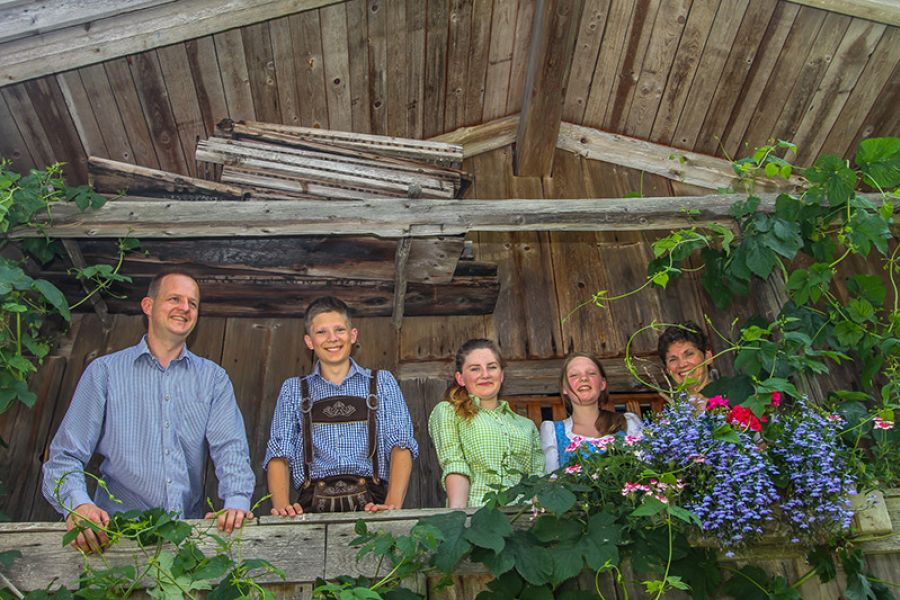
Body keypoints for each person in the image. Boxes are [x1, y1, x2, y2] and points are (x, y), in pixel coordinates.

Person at [42, 270, 256, 554]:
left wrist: (236, 503)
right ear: (148, 305)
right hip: (113, 539)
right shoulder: (105, 372)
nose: (185, 308)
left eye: (193, 303)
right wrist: (78, 505)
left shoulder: (213, 379)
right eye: (174, 299)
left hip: (186, 539)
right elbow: (65, 455)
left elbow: (230, 448)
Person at [265, 296, 417, 514]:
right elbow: (279, 452)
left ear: (352, 335)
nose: (332, 338)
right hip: (311, 507)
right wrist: (282, 509)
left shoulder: (381, 382)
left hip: (373, 504)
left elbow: (401, 444)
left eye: (339, 330)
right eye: (321, 332)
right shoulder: (293, 389)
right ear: (309, 341)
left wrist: (392, 505)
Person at [428, 339, 544, 508]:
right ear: (460, 378)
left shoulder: (526, 425)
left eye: (492, 367)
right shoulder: (449, 412)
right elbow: (455, 465)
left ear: (501, 375)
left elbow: (537, 479)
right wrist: (458, 516)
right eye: (475, 369)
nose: (485, 374)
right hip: (478, 514)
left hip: (523, 515)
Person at [540, 353, 643, 472]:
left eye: (591, 373)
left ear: (602, 384)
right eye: (574, 375)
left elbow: (645, 469)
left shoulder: (627, 423)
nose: (584, 378)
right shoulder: (553, 432)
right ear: (564, 388)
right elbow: (551, 478)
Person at [657, 321, 715, 410]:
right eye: (673, 359)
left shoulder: (729, 401)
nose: (682, 364)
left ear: (708, 356)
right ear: (667, 370)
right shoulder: (673, 413)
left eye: (689, 354)